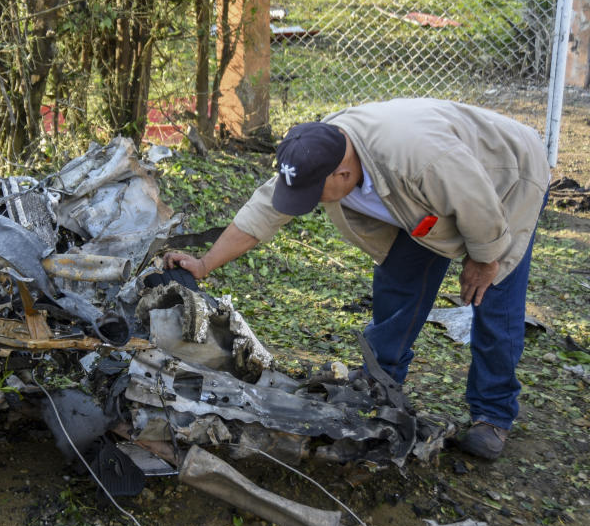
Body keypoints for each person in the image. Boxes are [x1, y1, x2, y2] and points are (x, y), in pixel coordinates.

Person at [165, 98, 550, 460]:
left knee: (494, 301)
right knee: (398, 285)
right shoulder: (316, 152)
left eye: (316, 194)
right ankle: (380, 382)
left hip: (507, 180)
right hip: (428, 205)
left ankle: (493, 415)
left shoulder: (420, 160)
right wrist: (204, 264)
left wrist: (484, 260)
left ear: (344, 173)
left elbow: (479, 203)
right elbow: (260, 215)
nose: (311, 202)